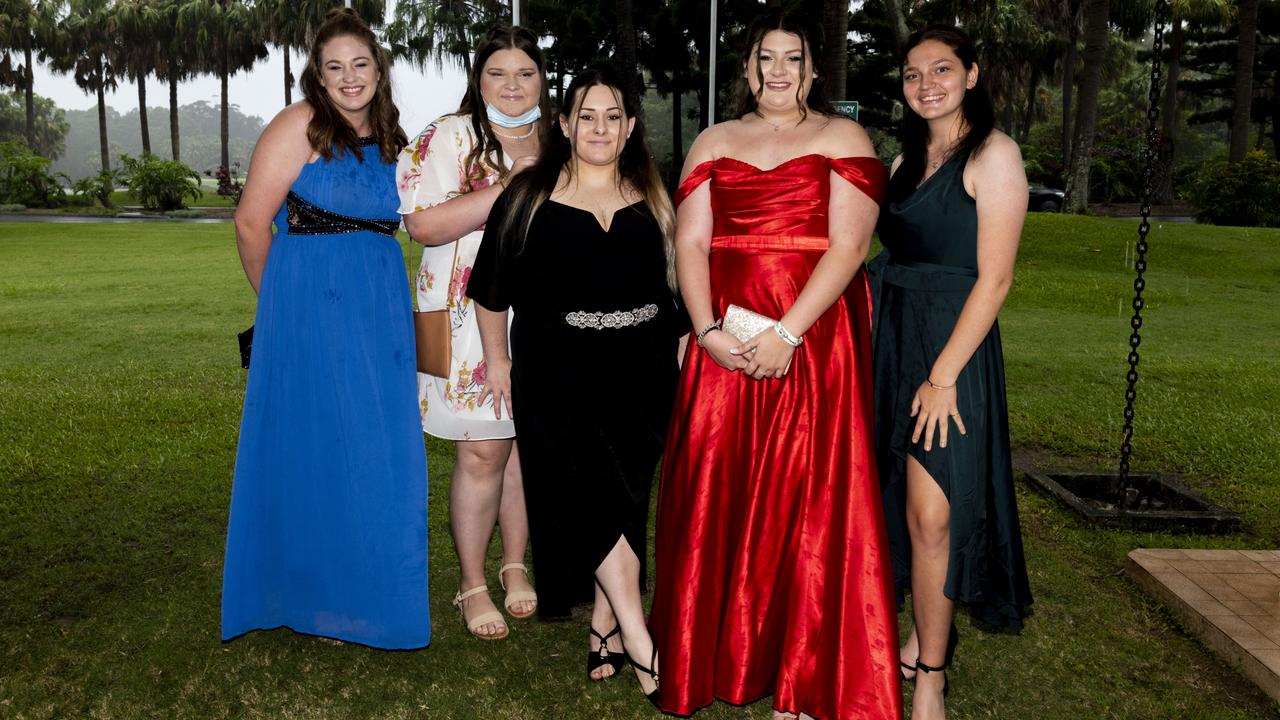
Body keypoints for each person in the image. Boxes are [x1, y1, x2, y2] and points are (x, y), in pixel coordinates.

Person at [650, 9, 902, 720]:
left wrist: (787, 336)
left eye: (794, 59)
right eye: (767, 58)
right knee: (713, 484)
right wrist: (704, 331)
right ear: (749, 69)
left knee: (810, 496)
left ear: (815, 70)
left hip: (815, 337)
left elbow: (849, 249)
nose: (780, 71)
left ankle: (805, 668)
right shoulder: (713, 140)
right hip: (724, 337)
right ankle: (714, 657)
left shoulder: (844, 137)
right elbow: (691, 244)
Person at [466, 67, 683, 697]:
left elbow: (669, 290)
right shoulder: (530, 193)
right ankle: (640, 636)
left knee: (624, 499)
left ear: (631, 126)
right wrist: (498, 361)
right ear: (564, 124)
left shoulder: (652, 195)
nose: (600, 127)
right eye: (587, 115)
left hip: (642, 374)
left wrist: (677, 354)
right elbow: (489, 289)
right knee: (584, 497)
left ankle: (603, 626)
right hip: (556, 372)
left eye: (613, 115)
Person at [221, 8, 429, 649]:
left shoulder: (395, 137)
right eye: (334, 67)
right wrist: (281, 311)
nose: (348, 78)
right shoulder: (299, 125)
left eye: (359, 64)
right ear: (318, 74)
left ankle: (366, 595)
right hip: (309, 311)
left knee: (378, 448)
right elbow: (251, 224)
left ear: (378, 70)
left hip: (377, 312)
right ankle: (313, 598)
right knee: (317, 447)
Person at [873, 24, 1033, 720]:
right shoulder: (905, 159)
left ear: (972, 73)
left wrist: (940, 376)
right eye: (913, 74)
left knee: (935, 515)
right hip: (893, 334)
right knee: (901, 507)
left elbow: (994, 281)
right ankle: (920, 635)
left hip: (952, 351)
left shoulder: (994, 154)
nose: (926, 84)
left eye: (942, 69)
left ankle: (931, 675)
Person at [396, 26, 547, 639]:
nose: (512, 86)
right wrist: (508, 188)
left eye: (526, 73)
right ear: (477, 79)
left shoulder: (559, 138)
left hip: (543, 312)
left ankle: (515, 565)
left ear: (543, 78)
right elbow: (423, 226)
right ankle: (470, 581)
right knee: (483, 448)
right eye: (497, 73)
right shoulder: (449, 134)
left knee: (525, 447)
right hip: (462, 312)